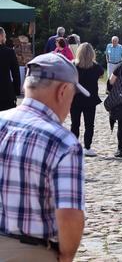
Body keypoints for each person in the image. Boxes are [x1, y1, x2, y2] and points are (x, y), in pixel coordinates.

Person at [0, 53, 87, 262]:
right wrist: (66, 255)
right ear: (63, 91)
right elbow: (69, 214)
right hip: (28, 251)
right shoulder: (63, 142)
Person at [70, 43, 105, 157]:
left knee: (75, 124)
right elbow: (101, 75)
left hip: (75, 98)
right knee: (89, 124)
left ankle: (74, 146)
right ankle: (87, 147)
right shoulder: (96, 67)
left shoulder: (73, 65)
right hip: (90, 99)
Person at [0, 27, 21, 111]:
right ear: (1, 36)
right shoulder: (9, 52)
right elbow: (16, 73)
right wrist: (16, 91)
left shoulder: (9, 52)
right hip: (6, 94)